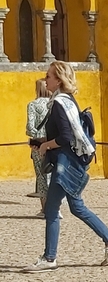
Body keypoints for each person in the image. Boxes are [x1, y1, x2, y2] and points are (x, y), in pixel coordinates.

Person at [23, 61, 108, 272]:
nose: (46, 79)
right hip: (69, 163)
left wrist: (46, 146)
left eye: (49, 76)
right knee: (76, 207)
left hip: (65, 165)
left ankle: (49, 258)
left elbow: (66, 137)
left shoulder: (60, 103)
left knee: (52, 210)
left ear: (58, 80)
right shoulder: (66, 101)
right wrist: (41, 141)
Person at [25, 79, 52, 211]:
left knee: (42, 175)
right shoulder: (55, 104)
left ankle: (45, 209)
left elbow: (30, 128)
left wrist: (36, 136)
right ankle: (56, 207)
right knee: (54, 174)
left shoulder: (33, 105)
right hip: (54, 143)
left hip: (39, 145)